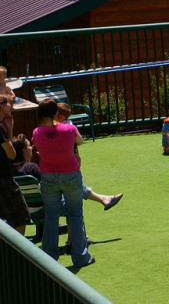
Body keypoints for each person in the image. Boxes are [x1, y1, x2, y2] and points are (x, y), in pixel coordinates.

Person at [31, 98, 94, 267]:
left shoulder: (36, 132)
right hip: (71, 175)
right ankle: (81, 257)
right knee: (76, 215)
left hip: (48, 177)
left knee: (51, 217)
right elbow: (79, 141)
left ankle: (49, 259)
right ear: (57, 112)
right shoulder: (70, 129)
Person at [12, 133, 122, 211]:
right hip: (44, 206)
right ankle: (75, 237)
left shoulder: (10, 170)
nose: (32, 147)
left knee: (71, 184)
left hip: (22, 207)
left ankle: (103, 199)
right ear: (24, 150)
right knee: (72, 189)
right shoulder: (32, 168)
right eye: (29, 145)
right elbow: (52, 182)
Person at [0, 95, 29, 236]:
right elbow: (11, 154)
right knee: (20, 217)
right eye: (9, 104)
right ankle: (16, 256)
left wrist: (10, 129)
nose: (12, 106)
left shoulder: (2, 127)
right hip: (4, 179)